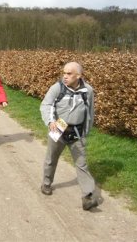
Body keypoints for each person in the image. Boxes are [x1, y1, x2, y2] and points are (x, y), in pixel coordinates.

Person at [39, 62, 98, 211]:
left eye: (69, 73)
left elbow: (90, 112)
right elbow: (45, 105)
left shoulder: (88, 90)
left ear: (78, 75)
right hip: (58, 127)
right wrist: (50, 121)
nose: (65, 76)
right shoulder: (57, 87)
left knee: (82, 164)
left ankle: (88, 196)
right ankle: (46, 183)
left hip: (77, 131)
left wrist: (86, 132)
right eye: (64, 73)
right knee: (51, 159)